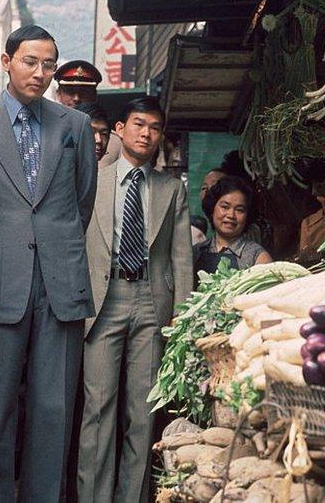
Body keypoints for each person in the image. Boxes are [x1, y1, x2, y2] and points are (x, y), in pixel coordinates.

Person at [0, 25, 97, 502]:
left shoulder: (73, 126)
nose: (40, 72)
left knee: (54, 408)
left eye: (48, 64)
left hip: (61, 281)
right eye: (30, 61)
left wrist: (55, 243)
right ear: (6, 61)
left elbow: (82, 202)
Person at [78, 96, 193, 503]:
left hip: (151, 303)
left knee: (143, 414)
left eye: (155, 128)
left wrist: (182, 317)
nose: (147, 133)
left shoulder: (170, 189)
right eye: (139, 124)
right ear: (120, 130)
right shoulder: (93, 179)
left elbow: (182, 257)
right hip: (101, 302)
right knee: (97, 409)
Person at [194, 176, 272, 276]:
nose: (231, 215)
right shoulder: (195, 253)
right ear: (212, 209)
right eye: (225, 207)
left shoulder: (259, 258)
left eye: (239, 210)